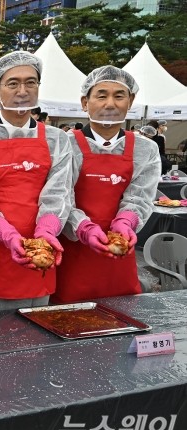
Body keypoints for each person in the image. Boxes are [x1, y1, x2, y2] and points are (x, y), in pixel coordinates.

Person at [0, 51, 73, 313]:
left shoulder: (57, 139)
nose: (23, 90)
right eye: (13, 83)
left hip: (40, 256)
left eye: (30, 82)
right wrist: (7, 234)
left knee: (32, 342)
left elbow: (59, 193)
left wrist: (46, 231)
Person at [54, 66, 159, 303]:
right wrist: (83, 228)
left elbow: (140, 197)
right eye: (101, 95)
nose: (110, 104)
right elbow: (58, 198)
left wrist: (126, 222)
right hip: (72, 255)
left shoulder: (145, 149)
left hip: (120, 257)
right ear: (84, 102)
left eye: (119, 96)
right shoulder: (64, 145)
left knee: (122, 321)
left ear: (130, 101)